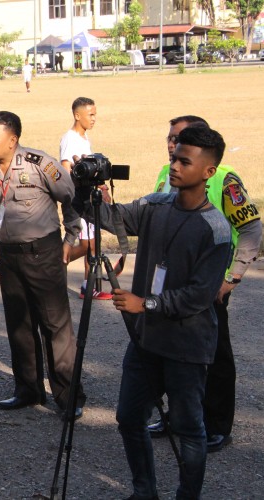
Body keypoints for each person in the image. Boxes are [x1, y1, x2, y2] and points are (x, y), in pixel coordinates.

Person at [80, 125, 232, 500]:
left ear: (208, 172)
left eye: (185, 161)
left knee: (188, 427)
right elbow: (108, 218)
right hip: (146, 340)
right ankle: (144, 491)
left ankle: (187, 495)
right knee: (129, 418)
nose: (175, 165)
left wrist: (143, 303)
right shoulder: (154, 206)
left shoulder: (216, 230)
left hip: (186, 346)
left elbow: (198, 297)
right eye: (174, 157)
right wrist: (81, 188)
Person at [146, 116, 261, 453]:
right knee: (166, 352)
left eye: (178, 139)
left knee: (214, 357)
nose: (171, 145)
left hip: (207, 287)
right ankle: (175, 417)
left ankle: (216, 424)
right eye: (169, 138)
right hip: (167, 285)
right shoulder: (165, 175)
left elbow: (252, 229)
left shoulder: (224, 179)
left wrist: (232, 277)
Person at [0, 111, 85, 418]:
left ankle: (68, 395)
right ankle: (28, 390)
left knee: (55, 326)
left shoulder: (41, 165)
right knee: (19, 325)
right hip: (8, 256)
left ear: (12, 141)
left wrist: (71, 237)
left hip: (43, 254)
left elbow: (71, 196)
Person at [59, 97, 111, 300]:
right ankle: (55, 264)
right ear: (77, 115)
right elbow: (66, 169)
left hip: (88, 199)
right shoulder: (70, 139)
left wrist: (101, 187)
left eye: (95, 114)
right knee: (87, 245)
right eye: (90, 114)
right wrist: (75, 196)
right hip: (77, 201)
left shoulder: (83, 138)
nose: (94, 118)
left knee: (93, 243)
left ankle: (89, 287)